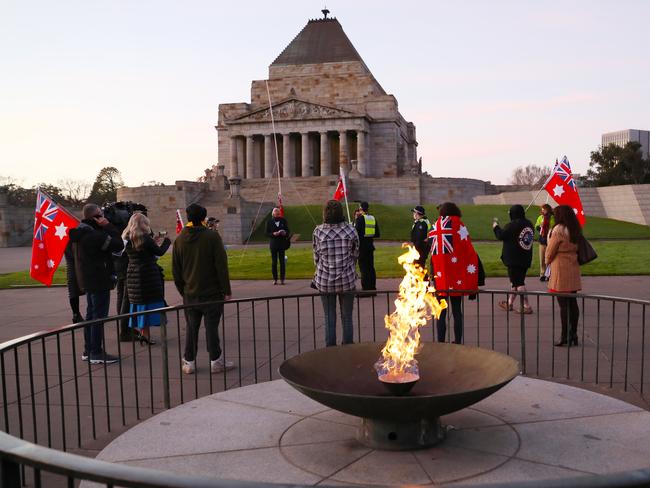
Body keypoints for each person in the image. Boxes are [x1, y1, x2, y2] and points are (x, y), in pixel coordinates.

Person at [172, 203, 235, 374]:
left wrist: (183, 290)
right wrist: (226, 289)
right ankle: (215, 360)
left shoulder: (179, 239)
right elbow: (221, 266)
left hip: (190, 293)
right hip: (212, 292)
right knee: (211, 328)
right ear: (203, 218)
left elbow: (176, 271)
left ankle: (189, 361)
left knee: (192, 327)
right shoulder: (212, 237)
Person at [69, 203, 124, 364]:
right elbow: (118, 244)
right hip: (99, 280)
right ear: (95, 217)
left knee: (91, 315)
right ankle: (96, 352)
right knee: (98, 317)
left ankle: (88, 350)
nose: (104, 217)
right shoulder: (94, 235)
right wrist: (108, 226)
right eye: (101, 214)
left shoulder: (80, 234)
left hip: (88, 279)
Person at [429, 202, 482, 344]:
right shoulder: (458, 224)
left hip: (440, 277)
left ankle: (440, 342)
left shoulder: (435, 225)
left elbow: (432, 250)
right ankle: (457, 341)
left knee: (441, 312)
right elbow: (467, 249)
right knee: (457, 312)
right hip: (456, 277)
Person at [313, 200, 359, 346]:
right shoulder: (351, 230)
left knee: (329, 317)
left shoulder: (318, 231)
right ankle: (348, 349)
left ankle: (330, 350)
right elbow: (356, 254)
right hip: (347, 279)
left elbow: (316, 257)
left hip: (325, 280)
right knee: (347, 317)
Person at [122, 213, 171, 344]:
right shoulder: (145, 238)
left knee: (140, 305)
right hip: (147, 274)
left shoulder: (128, 237)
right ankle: (145, 335)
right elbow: (159, 252)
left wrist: (152, 241)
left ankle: (145, 334)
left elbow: (142, 251)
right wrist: (167, 241)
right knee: (149, 304)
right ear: (143, 224)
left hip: (133, 274)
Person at [546, 205, 582, 347]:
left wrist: (546, 261)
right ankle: (573, 333)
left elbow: (550, 251)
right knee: (572, 303)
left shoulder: (558, 229)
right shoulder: (574, 228)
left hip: (560, 267)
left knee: (563, 305)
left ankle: (564, 335)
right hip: (573, 265)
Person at [493, 204, 535, 314]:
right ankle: (509, 303)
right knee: (515, 282)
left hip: (514, 259)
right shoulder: (529, 224)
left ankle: (526, 306)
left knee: (519, 283)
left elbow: (501, 235)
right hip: (525, 258)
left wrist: (495, 227)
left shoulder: (512, 225)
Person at [354, 201, 379, 294]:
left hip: (362, 247)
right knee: (371, 268)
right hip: (370, 246)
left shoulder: (360, 219)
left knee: (364, 268)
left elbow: (355, 234)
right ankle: (372, 288)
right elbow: (377, 233)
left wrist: (356, 220)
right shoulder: (372, 218)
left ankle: (365, 289)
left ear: (360, 209)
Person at [265, 208, 290, 285]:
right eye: (276, 214)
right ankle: (275, 279)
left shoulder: (283, 221)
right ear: (273, 214)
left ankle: (282, 279)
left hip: (282, 244)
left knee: (282, 262)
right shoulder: (269, 222)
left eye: (278, 214)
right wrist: (273, 234)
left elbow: (288, 231)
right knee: (274, 262)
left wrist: (284, 233)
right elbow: (266, 233)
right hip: (273, 245)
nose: (277, 215)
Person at [64, 241, 84, 324]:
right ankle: (76, 314)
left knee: (72, 288)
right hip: (77, 259)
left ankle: (76, 314)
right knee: (73, 288)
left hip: (73, 259)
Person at [535, 204, 555, 282]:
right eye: (542, 209)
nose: (542, 210)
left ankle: (549, 274)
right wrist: (540, 227)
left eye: (544, 209)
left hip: (550, 239)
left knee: (549, 257)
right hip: (542, 240)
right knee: (542, 258)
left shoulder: (553, 217)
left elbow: (554, 226)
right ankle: (542, 274)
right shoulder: (540, 217)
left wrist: (547, 226)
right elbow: (536, 225)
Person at [410, 205, 431, 273]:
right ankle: (423, 282)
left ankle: (424, 282)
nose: (413, 214)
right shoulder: (421, 221)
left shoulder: (421, 223)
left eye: (414, 212)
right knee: (419, 266)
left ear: (417, 214)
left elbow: (419, 237)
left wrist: (415, 248)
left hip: (421, 247)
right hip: (422, 247)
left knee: (419, 266)